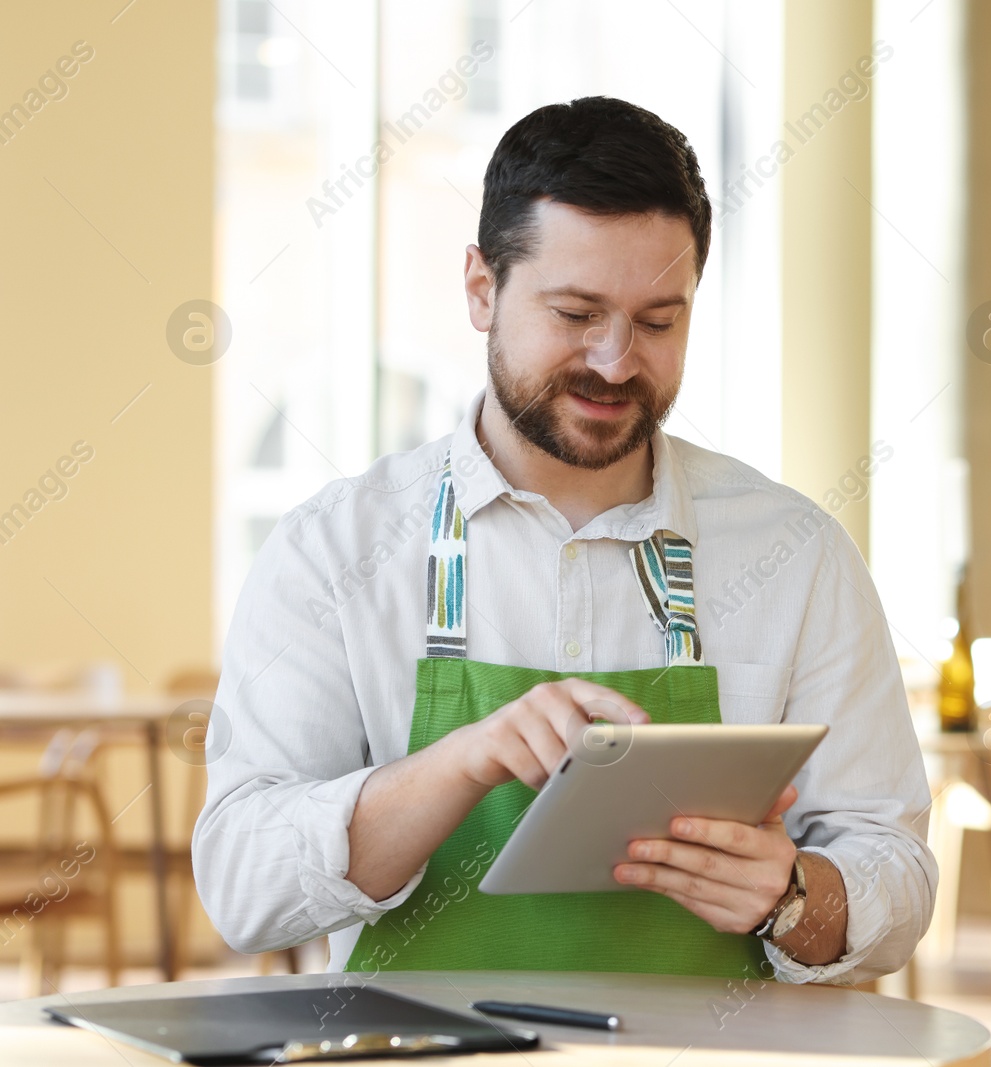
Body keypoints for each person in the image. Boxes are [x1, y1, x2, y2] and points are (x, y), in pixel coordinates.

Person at [193, 96, 935, 984]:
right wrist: (462, 763)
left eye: (659, 321)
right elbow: (242, 887)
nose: (616, 360)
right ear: (481, 289)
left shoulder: (798, 554)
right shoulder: (334, 549)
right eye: (578, 313)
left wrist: (794, 896)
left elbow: (895, 870)